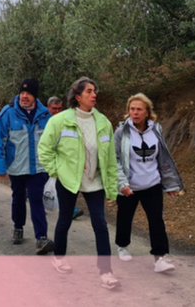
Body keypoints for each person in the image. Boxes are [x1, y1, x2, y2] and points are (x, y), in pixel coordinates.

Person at [38, 77, 120, 290]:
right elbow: (44, 149)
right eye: (89, 91)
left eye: (95, 91)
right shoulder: (59, 120)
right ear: (77, 96)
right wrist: (57, 171)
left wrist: (112, 184)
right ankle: (59, 257)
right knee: (65, 220)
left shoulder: (103, 122)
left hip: (95, 183)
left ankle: (106, 271)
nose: (94, 95)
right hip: (68, 181)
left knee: (100, 225)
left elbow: (110, 157)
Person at [114, 93, 184, 272]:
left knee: (156, 220)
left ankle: (160, 258)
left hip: (152, 184)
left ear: (147, 112)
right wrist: (122, 183)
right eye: (132, 109)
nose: (135, 113)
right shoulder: (121, 131)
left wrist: (170, 185)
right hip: (129, 185)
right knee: (124, 218)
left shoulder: (156, 130)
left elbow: (163, 159)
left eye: (139, 109)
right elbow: (114, 160)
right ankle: (122, 246)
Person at [0, 79, 53, 254]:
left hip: (38, 167)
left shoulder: (45, 115)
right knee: (18, 198)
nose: (24, 96)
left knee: (36, 199)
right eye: (22, 93)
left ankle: (41, 237)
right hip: (16, 166)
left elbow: (53, 142)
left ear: (35, 96)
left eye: (28, 93)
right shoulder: (8, 113)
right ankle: (18, 227)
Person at [47, 97, 84, 221]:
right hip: (45, 162)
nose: (57, 111)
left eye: (59, 108)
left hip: (61, 163)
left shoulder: (64, 121)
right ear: (48, 108)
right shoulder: (45, 121)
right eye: (54, 109)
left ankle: (69, 210)